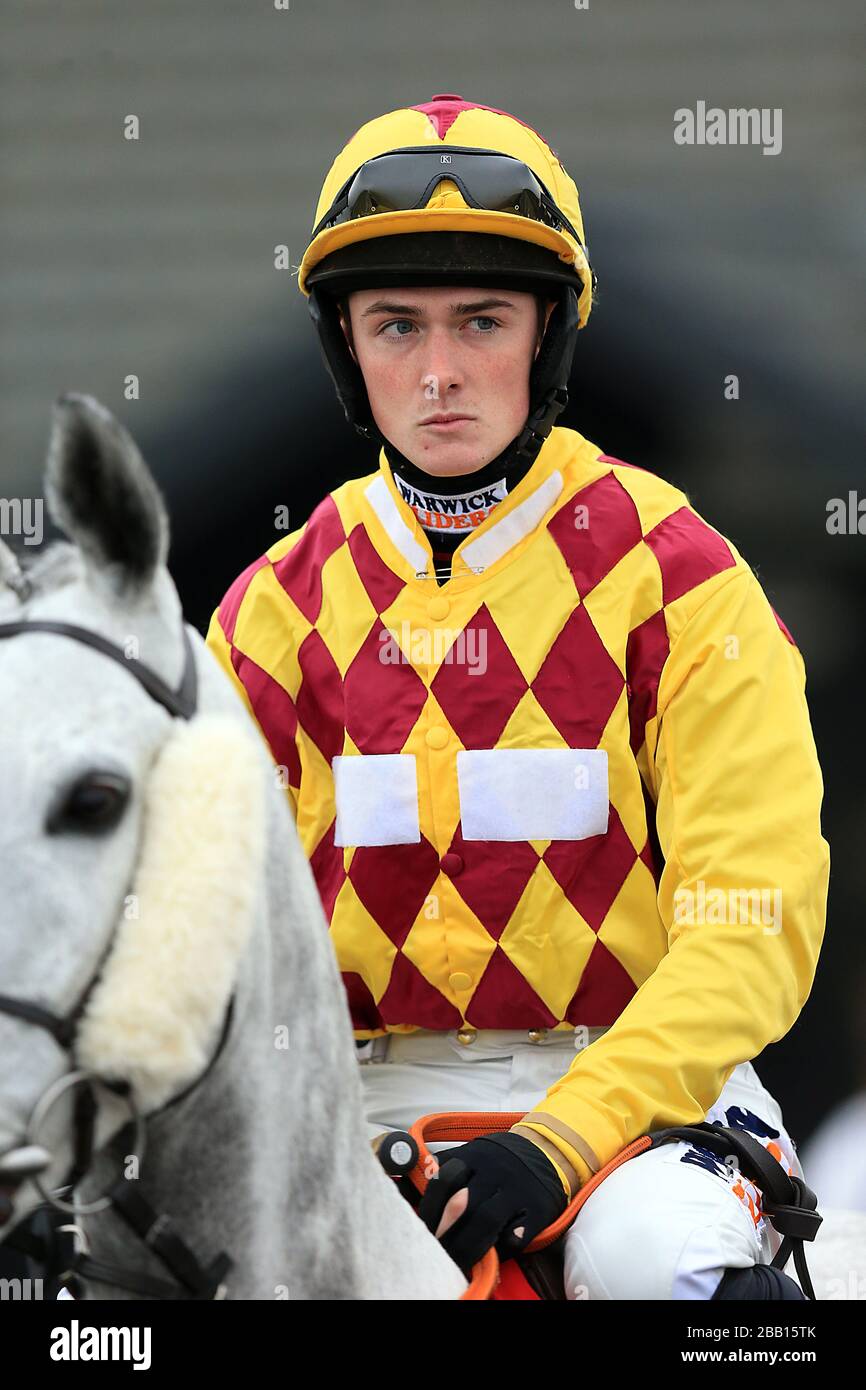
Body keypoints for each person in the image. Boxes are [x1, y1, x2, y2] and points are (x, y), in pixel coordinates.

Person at [205, 94, 830, 1299]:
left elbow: (749, 934)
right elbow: (206, 951)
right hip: (355, 1097)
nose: (438, 374)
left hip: (644, 1089)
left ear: (547, 335)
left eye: (480, 321)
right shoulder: (269, 611)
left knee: (662, 1265)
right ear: (345, 345)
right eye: (395, 327)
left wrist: (558, 1139)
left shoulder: (684, 577)